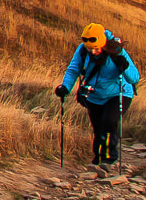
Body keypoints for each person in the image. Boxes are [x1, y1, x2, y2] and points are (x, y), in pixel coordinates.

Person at [56, 23, 139, 174]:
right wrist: (65, 87)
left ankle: (108, 159)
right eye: (90, 49)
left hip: (119, 93)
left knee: (109, 122)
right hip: (95, 96)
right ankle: (98, 158)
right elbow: (74, 69)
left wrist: (124, 66)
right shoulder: (82, 50)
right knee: (98, 127)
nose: (93, 52)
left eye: (96, 49)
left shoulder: (117, 50)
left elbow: (134, 78)